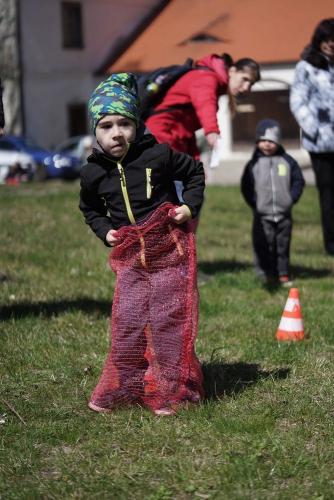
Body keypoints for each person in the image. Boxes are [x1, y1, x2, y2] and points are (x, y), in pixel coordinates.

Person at [79, 73, 205, 416]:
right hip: (132, 261)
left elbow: (194, 172)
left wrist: (188, 206)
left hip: (169, 255)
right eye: (106, 125)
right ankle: (126, 385)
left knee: (167, 323)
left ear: (137, 125)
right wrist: (104, 231)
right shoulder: (93, 173)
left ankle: (171, 389)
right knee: (128, 324)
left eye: (124, 123)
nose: (116, 132)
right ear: (95, 129)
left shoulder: (158, 155)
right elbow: (89, 208)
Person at [145, 53, 261, 159]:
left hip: (171, 137)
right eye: (245, 79)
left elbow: (186, 129)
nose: (246, 87)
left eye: (251, 84)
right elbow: (205, 103)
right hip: (159, 132)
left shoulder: (213, 83)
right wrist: (211, 131)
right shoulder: (207, 78)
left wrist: (195, 160)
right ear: (232, 71)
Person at [241, 119, 305, 286]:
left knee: (282, 245)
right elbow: (246, 186)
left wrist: (291, 199)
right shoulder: (253, 164)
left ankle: (283, 272)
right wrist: (255, 204)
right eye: (262, 141)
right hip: (262, 215)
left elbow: (298, 181)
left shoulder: (288, 162)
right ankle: (264, 271)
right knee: (263, 244)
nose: (266, 145)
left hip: (284, 214)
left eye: (271, 141)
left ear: (277, 141)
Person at [290, 18, 334, 255]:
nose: (330, 44)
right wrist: (314, 128)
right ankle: (331, 244)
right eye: (326, 39)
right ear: (319, 40)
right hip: (320, 144)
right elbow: (298, 100)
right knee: (327, 193)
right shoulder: (306, 67)